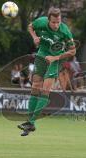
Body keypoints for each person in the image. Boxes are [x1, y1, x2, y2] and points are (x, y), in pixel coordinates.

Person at [17, 7, 76, 136]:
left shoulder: (65, 31)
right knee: (35, 87)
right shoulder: (41, 22)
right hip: (41, 56)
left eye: (58, 22)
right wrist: (34, 37)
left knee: (45, 90)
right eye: (53, 22)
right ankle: (30, 123)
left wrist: (55, 57)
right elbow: (30, 26)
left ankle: (31, 121)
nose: (56, 25)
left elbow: (73, 51)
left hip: (54, 60)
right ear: (48, 20)